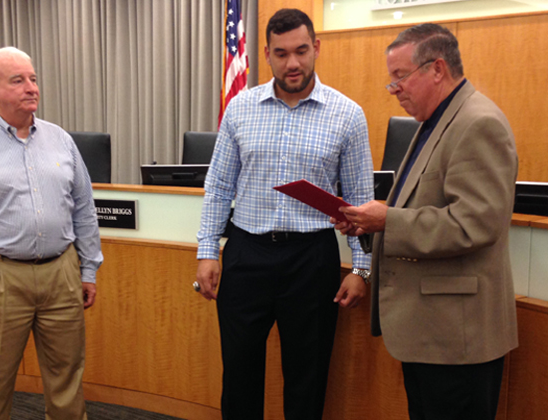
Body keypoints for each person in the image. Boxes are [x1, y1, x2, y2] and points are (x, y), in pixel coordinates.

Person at [195, 8, 374, 420]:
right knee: (239, 376)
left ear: (316, 48)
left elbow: (360, 201)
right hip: (246, 255)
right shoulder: (240, 108)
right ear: (267, 53)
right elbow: (219, 187)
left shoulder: (347, 115)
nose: (292, 63)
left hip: (310, 260)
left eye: (301, 50)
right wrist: (208, 251)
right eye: (281, 53)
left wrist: (360, 268)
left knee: (306, 379)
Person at [334, 23, 518, 420]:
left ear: (437, 69)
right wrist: (370, 223)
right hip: (432, 335)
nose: (394, 88)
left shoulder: (477, 123)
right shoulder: (435, 122)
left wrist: (388, 221)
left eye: (400, 76)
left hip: (457, 340)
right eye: (391, 79)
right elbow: (422, 205)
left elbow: (474, 225)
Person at [0, 47, 103, 420]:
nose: (31, 88)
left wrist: (88, 269)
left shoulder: (61, 140)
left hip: (62, 272)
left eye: (33, 78)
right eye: (18, 81)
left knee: (67, 379)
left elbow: (84, 209)